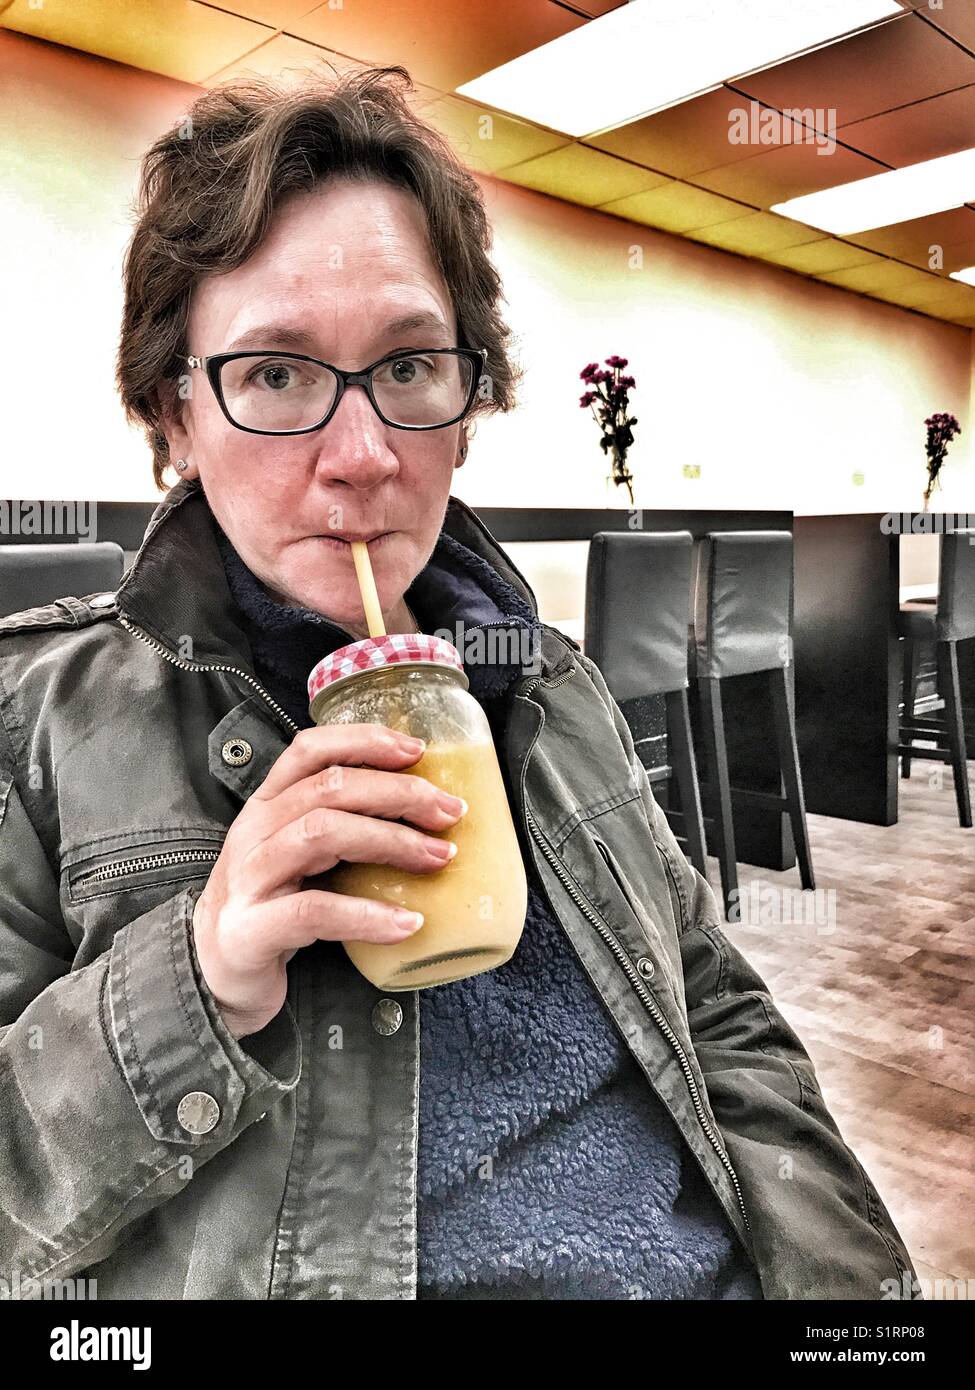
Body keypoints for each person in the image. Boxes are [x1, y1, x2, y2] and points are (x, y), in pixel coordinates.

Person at [0, 65, 917, 1300]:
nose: (365, 456)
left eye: (411, 366)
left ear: (468, 398)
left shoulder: (552, 686)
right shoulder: (38, 731)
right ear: (173, 411)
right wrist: (196, 973)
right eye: (274, 374)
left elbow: (717, 1017)